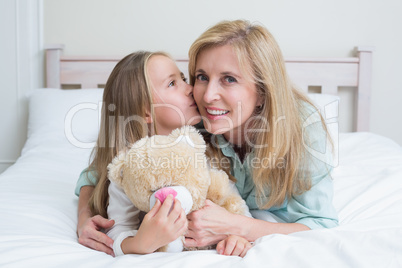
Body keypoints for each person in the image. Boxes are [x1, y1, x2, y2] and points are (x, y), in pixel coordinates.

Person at [75, 51, 252, 257]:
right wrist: (139, 243)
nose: (191, 89)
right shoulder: (131, 167)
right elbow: (118, 226)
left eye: (184, 79)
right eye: (172, 83)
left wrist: (236, 235)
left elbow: (232, 204)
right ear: (145, 113)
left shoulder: (203, 145)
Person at [183, 19, 339, 248]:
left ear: (263, 92)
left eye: (229, 79)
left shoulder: (303, 127)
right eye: (202, 77)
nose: (207, 96)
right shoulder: (190, 123)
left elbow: (321, 225)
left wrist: (237, 227)